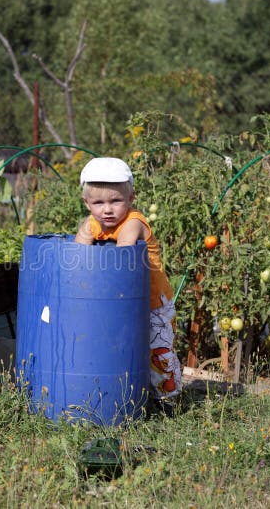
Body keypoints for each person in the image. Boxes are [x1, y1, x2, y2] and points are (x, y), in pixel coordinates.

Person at [74, 157, 182, 409]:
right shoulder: (92, 223)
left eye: (115, 201)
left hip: (155, 303)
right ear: (86, 203)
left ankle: (169, 400)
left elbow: (123, 253)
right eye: (98, 203)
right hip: (125, 302)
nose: (107, 210)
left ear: (131, 198)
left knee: (158, 351)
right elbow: (79, 252)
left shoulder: (133, 222)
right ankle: (135, 396)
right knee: (128, 349)